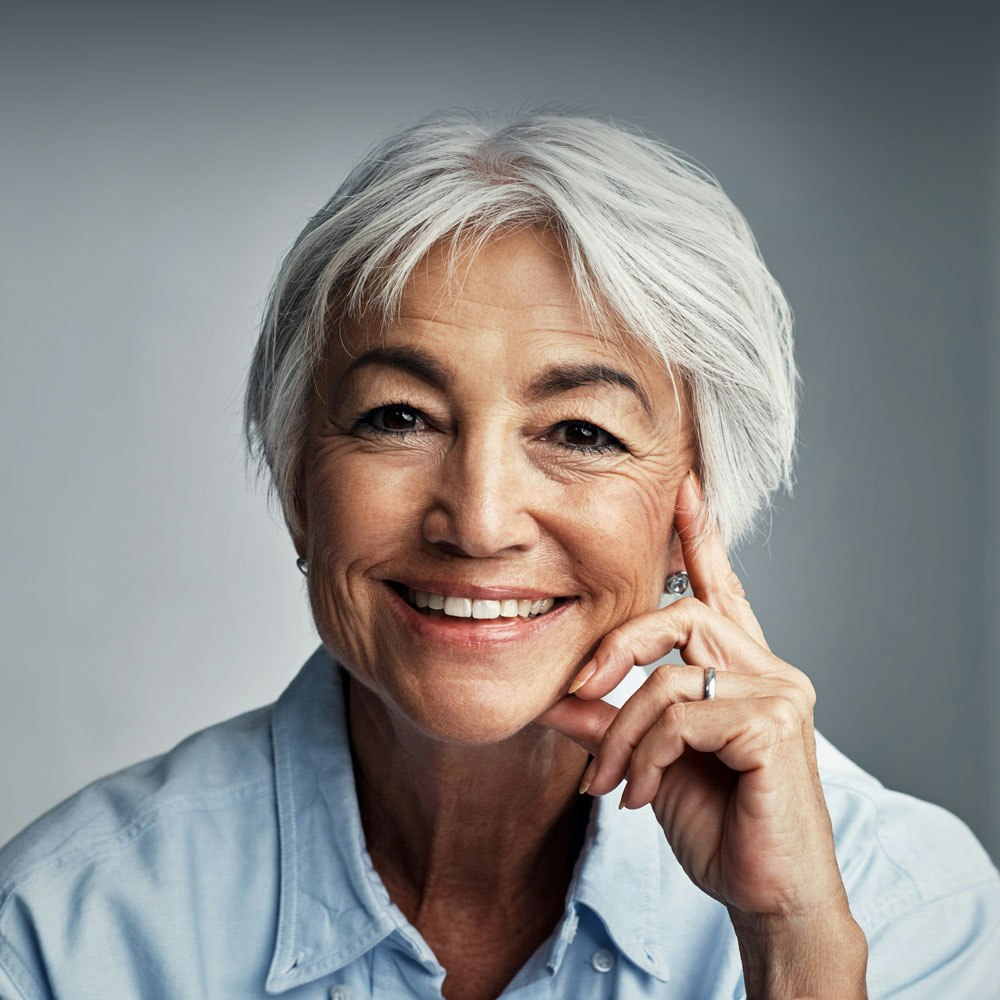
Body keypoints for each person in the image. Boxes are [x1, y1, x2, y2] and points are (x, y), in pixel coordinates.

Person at [0, 107, 997, 1000]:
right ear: (300, 484)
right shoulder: (63, 934)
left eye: (580, 432)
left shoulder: (904, 905)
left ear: (693, 509)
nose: (478, 523)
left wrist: (793, 947)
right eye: (398, 417)